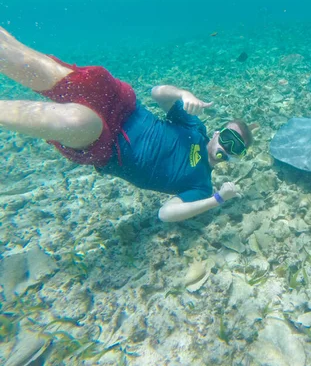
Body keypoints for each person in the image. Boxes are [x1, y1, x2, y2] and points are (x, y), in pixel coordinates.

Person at [0, 26, 253, 223]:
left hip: (109, 147)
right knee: (27, 62)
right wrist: (182, 93)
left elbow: (166, 213)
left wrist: (217, 199)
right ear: (217, 134)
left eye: (236, 150)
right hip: (123, 104)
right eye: (229, 140)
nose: (227, 150)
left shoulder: (201, 185)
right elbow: (157, 93)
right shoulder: (195, 128)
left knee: (78, 121)